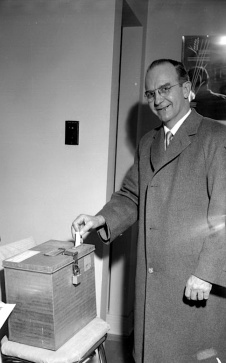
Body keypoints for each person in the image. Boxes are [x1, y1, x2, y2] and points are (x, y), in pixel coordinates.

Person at [72, 59, 226, 363]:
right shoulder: (148, 142)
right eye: (150, 93)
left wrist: (207, 273)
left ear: (186, 89)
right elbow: (131, 195)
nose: (157, 99)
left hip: (195, 282)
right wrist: (100, 218)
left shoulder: (215, 138)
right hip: (152, 285)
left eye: (165, 89)